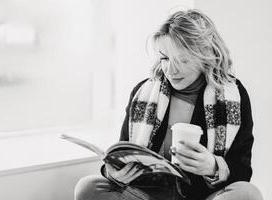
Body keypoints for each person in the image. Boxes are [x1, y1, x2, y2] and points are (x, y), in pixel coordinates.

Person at [74, 9, 263, 200]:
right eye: (165, 58)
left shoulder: (233, 97)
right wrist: (113, 172)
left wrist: (213, 167)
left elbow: (242, 171)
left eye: (182, 59)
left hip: (200, 196)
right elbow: (123, 151)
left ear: (205, 56)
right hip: (147, 193)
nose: (170, 70)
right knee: (88, 187)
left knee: (247, 194)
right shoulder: (143, 93)